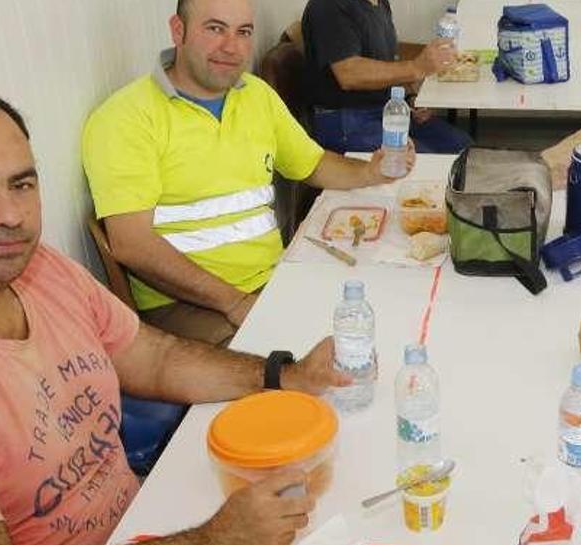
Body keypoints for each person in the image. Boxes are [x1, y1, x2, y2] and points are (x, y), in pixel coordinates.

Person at [0, 80, 349, 545]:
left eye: (21, 184)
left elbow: (154, 357)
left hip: (142, 521)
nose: (9, 215)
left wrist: (285, 375)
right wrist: (219, 540)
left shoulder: (36, 269)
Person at [82, 0, 414, 347]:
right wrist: (233, 301)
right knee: (316, 359)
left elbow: (312, 164)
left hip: (270, 280)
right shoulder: (126, 117)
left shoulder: (256, 95)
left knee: (382, 315)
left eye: (243, 32)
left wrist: (372, 172)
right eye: (214, 29)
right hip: (187, 303)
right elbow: (131, 244)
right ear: (177, 30)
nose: (231, 47)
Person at [301, 0, 474, 154]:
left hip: (384, 110)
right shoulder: (328, 6)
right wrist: (416, 67)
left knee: (463, 149)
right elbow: (348, 73)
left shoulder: (379, 3)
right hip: (345, 121)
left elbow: (386, 61)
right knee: (426, 163)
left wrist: (410, 97)